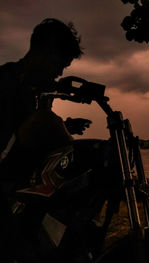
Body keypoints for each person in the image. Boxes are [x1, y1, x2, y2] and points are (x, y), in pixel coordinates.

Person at [0, 18, 91, 261]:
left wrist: (67, 125)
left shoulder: (39, 93)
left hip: (28, 188)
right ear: (44, 51)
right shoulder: (6, 80)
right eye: (60, 63)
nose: (60, 72)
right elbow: (24, 131)